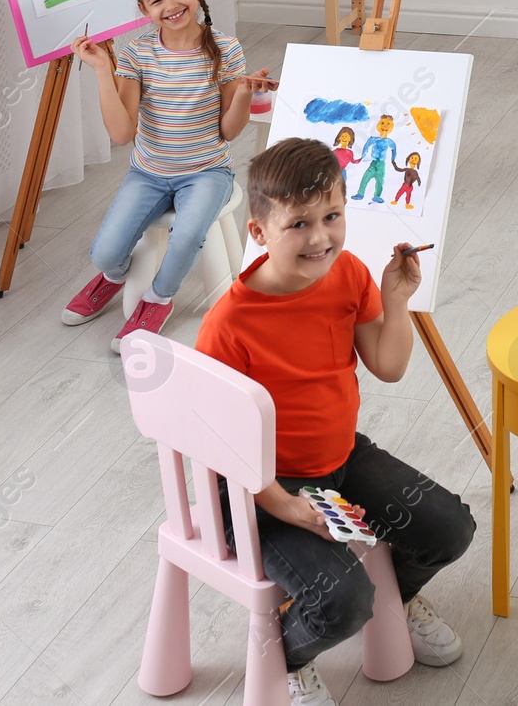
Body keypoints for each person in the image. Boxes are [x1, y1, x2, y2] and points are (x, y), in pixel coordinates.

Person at [195, 137, 474, 706]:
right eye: (298, 224)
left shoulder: (347, 274)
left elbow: (389, 366)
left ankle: (398, 593)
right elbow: (216, 442)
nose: (320, 237)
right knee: (342, 601)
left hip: (340, 459)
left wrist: (396, 301)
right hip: (255, 486)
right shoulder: (228, 325)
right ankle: (288, 657)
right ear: (259, 233)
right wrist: (283, 504)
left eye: (332, 217)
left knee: (451, 529)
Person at [65, 0, 272, 349]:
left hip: (207, 172)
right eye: (157, 0)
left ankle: (158, 300)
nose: (171, 6)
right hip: (149, 172)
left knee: (188, 234)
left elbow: (229, 131)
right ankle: (112, 276)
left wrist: (244, 92)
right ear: (144, 9)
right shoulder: (137, 54)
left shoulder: (226, 50)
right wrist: (102, 71)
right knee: (106, 254)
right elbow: (123, 133)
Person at [353, 113, 397, 204]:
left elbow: (394, 150)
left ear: (391, 128)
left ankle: (377, 196)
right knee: (365, 177)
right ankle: (360, 194)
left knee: (380, 180)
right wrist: (363, 156)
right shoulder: (373, 139)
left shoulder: (389, 141)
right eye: (383, 123)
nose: (385, 126)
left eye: (388, 124)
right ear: (378, 125)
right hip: (373, 162)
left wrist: (393, 160)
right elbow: (366, 147)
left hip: (381, 163)